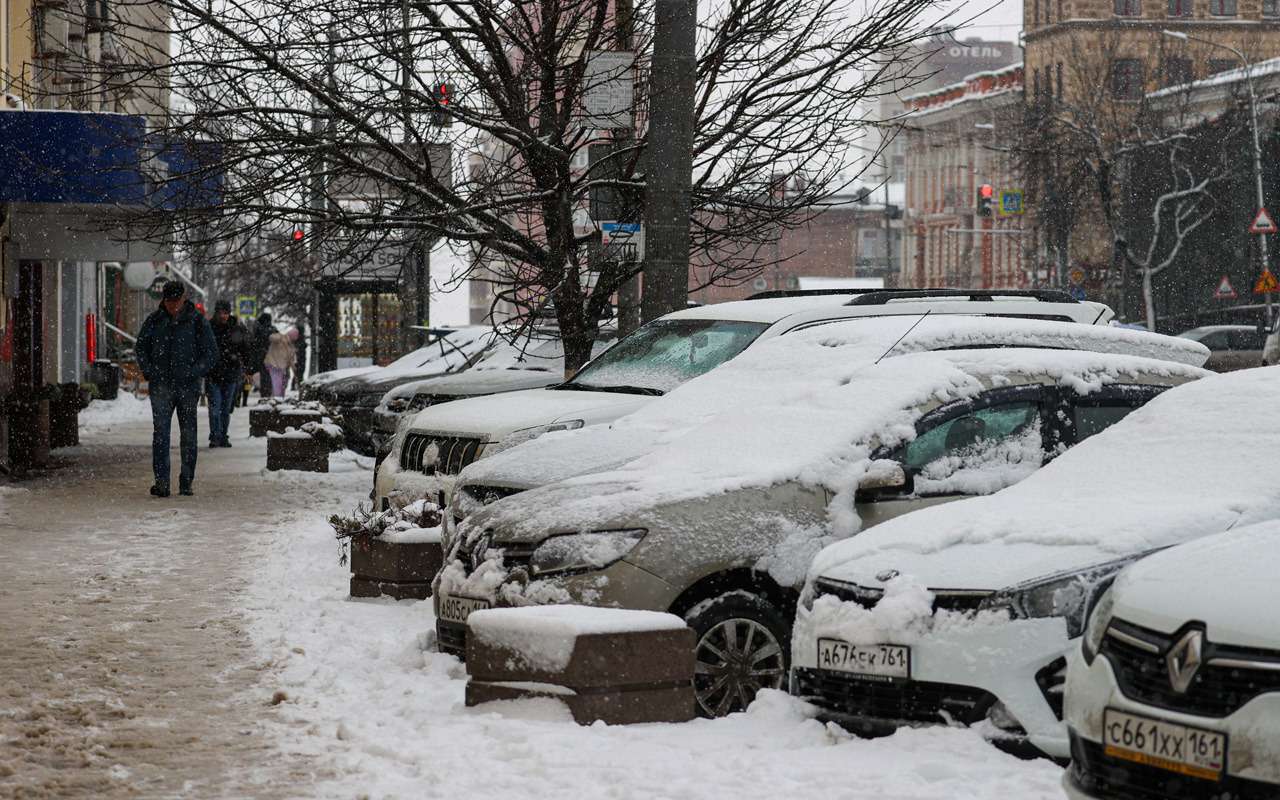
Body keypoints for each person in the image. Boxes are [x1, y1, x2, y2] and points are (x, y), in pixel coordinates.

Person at [136, 281, 216, 497]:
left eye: (176, 301)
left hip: (187, 387)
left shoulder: (197, 321)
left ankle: (186, 481)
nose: (173, 305)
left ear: (183, 298)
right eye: (169, 301)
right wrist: (150, 371)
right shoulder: (155, 321)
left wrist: (193, 372)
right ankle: (162, 482)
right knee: (161, 434)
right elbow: (141, 347)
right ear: (164, 300)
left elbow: (211, 353)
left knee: (188, 435)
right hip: (161, 385)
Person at [207, 300, 249, 448]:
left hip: (231, 374)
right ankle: (215, 436)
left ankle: (223, 436)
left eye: (226, 313)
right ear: (216, 312)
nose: (223, 316)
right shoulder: (209, 327)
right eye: (221, 312)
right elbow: (203, 348)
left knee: (225, 409)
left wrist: (244, 366)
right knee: (215, 409)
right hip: (213, 374)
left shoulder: (236, 328)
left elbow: (245, 349)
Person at [263, 328, 296, 397]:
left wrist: (294, 369)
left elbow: (291, 359)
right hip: (273, 364)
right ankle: (276, 398)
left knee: (282, 385)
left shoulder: (291, 346)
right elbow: (271, 337)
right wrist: (279, 336)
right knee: (277, 384)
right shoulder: (280, 338)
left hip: (282, 367)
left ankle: (279, 398)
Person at [250, 312, 274, 397]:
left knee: (264, 375)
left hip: (261, 356)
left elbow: (254, 343)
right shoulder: (273, 329)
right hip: (272, 357)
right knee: (269, 375)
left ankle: (264, 393)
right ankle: (268, 392)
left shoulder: (259, 329)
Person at [290, 325, 308, 390]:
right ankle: (298, 385)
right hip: (300, 357)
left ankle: (296, 385)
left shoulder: (297, 338)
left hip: (298, 358)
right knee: (299, 372)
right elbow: (301, 346)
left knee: (298, 372)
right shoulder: (300, 338)